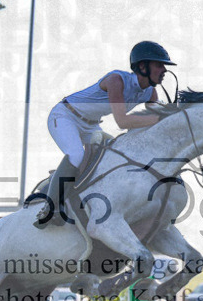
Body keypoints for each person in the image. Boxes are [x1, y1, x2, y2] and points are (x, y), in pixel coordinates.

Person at [31, 41, 176, 227]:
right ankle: (50, 207)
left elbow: (158, 117)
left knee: (114, 155)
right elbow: (122, 122)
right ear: (142, 66)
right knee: (76, 155)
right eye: (159, 65)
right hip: (65, 116)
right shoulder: (116, 80)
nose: (164, 70)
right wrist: (159, 119)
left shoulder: (150, 91)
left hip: (91, 126)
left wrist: (173, 115)